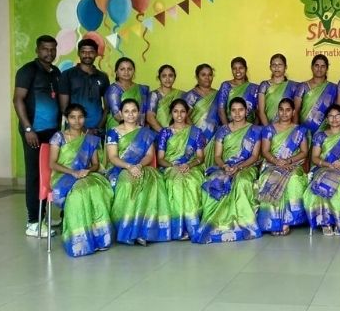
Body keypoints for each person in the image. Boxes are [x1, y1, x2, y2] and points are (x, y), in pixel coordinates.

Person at [48, 103, 113, 256]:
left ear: (84, 118)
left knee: (96, 189)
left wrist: (87, 170)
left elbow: (95, 164)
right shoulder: (59, 137)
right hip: (63, 176)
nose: (77, 121)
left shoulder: (90, 139)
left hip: (85, 174)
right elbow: (52, 163)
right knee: (78, 194)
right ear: (66, 119)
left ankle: (99, 238)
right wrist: (73, 172)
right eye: (72, 117)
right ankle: (79, 241)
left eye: (80, 117)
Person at [195, 97, 263, 243]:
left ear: (246, 111)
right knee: (213, 182)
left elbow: (254, 156)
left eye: (241, 110)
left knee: (242, 181)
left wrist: (239, 167)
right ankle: (217, 225)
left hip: (246, 167)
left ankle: (245, 224)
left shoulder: (255, 130)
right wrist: (225, 166)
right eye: (234, 110)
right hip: (225, 167)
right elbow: (217, 156)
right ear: (229, 112)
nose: (237, 114)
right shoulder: (223, 130)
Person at [13, 34, 61, 237]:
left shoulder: (55, 72)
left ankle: (44, 217)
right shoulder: (28, 71)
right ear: (37, 50)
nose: (49, 53)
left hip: (52, 133)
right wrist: (27, 129)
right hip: (34, 133)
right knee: (34, 176)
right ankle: (33, 222)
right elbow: (17, 100)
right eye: (45, 49)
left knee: (48, 175)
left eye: (52, 49)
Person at [106, 99, 171, 246]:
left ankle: (145, 231)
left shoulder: (146, 132)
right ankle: (127, 230)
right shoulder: (113, 132)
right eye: (126, 111)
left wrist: (139, 166)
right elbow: (113, 157)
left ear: (139, 113)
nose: (130, 114)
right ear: (121, 114)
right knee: (128, 184)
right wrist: (129, 167)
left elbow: (149, 155)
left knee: (153, 181)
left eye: (134, 111)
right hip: (120, 168)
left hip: (141, 166)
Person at [255, 98, 310, 235]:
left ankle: (287, 220)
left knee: (294, 179)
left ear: (293, 112)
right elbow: (265, 151)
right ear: (278, 111)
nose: (284, 113)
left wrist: (289, 161)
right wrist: (276, 161)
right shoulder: (268, 129)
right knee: (269, 178)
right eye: (281, 110)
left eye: (288, 110)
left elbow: (304, 152)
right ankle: (273, 221)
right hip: (272, 164)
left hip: (293, 164)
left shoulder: (300, 130)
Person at [304, 104, 340, 236]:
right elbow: (314, 158)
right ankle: (326, 222)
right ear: (326, 119)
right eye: (331, 116)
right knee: (321, 184)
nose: (334, 119)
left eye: (337, 116)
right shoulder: (319, 136)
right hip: (324, 168)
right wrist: (327, 164)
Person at [156, 99, 206, 240]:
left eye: (182, 111)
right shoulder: (165, 133)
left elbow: (200, 157)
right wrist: (174, 166)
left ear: (187, 113)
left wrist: (189, 165)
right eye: (175, 111)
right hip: (171, 167)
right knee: (176, 183)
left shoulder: (195, 132)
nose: (179, 115)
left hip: (191, 166)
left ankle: (192, 226)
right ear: (171, 113)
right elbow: (160, 159)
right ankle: (177, 229)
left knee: (192, 182)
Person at [58, 39, 109, 136]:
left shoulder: (103, 77)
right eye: (84, 52)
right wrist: (84, 130)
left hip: (98, 132)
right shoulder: (67, 75)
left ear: (96, 53)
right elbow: (64, 108)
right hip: (74, 131)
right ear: (78, 53)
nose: (87, 55)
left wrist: (99, 128)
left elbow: (107, 108)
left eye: (91, 52)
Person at [294, 54, 338, 138]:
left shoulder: (333, 88)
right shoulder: (302, 86)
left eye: (323, 66)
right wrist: (296, 132)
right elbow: (296, 112)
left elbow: (337, 112)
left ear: (327, 68)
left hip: (325, 134)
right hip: (304, 133)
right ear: (312, 67)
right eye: (316, 65)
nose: (319, 69)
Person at [183, 64, 219, 165]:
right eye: (203, 75)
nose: (207, 77)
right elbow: (184, 116)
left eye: (210, 75)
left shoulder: (218, 94)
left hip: (213, 138)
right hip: (195, 137)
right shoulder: (192, 95)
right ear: (197, 77)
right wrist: (197, 134)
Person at [104, 57, 149, 130]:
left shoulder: (141, 89)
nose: (126, 72)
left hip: (139, 128)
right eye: (122, 69)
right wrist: (131, 128)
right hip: (119, 129)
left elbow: (144, 112)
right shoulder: (113, 89)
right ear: (116, 72)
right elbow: (117, 115)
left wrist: (139, 129)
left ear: (134, 71)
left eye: (129, 69)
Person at [257, 54, 298, 126]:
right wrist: (269, 129)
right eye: (274, 65)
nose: (276, 68)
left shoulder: (293, 86)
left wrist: (291, 130)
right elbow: (261, 112)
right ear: (270, 67)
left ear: (285, 67)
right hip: (267, 127)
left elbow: (295, 112)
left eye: (280, 65)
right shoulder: (264, 85)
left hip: (287, 128)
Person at [217, 57, 259, 125]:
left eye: (241, 68)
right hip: (230, 127)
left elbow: (258, 112)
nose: (238, 71)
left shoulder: (254, 88)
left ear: (246, 69)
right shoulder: (226, 86)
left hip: (249, 128)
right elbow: (221, 110)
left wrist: (253, 128)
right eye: (234, 68)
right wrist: (228, 129)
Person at [146, 65, 182, 132]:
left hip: (178, 134)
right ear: (159, 78)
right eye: (164, 76)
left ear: (174, 77)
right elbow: (150, 117)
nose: (167, 79)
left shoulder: (181, 94)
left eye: (170, 75)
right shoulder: (154, 95)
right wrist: (164, 133)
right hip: (158, 133)